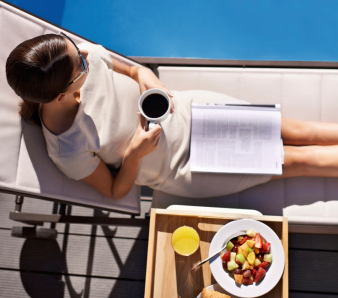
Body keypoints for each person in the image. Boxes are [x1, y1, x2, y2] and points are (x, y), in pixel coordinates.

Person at [5, 33, 338, 201]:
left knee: (301, 130)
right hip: (186, 165)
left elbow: (128, 68)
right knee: (296, 161)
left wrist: (141, 75)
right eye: (81, 63)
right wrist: (134, 154)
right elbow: (115, 191)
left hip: (189, 111)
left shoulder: (77, 56)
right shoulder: (69, 147)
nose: (84, 53)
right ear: (63, 94)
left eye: (76, 50)